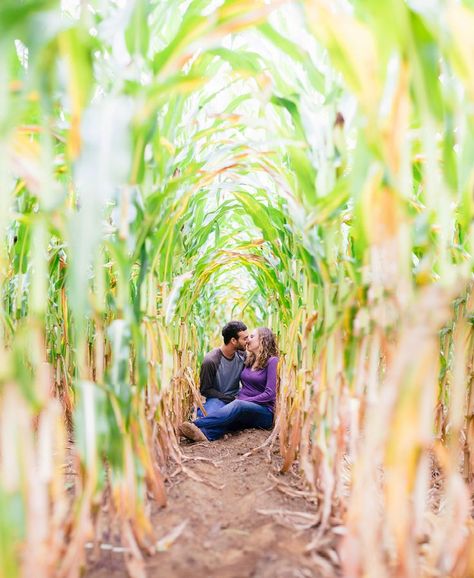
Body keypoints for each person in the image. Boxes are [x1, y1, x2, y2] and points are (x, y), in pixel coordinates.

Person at [180, 327, 279, 442]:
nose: (248, 340)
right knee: (228, 418)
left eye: (252, 337)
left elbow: (270, 394)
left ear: (263, 340)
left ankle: (195, 423)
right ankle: (205, 435)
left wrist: (245, 401)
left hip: (263, 411)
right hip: (244, 407)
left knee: (237, 406)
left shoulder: (272, 361)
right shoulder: (249, 360)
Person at [198, 321, 249, 417]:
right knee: (212, 416)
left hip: (237, 398)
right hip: (217, 399)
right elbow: (205, 389)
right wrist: (228, 398)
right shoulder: (211, 360)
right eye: (245, 338)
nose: (248, 341)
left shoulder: (242, 355)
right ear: (233, 341)